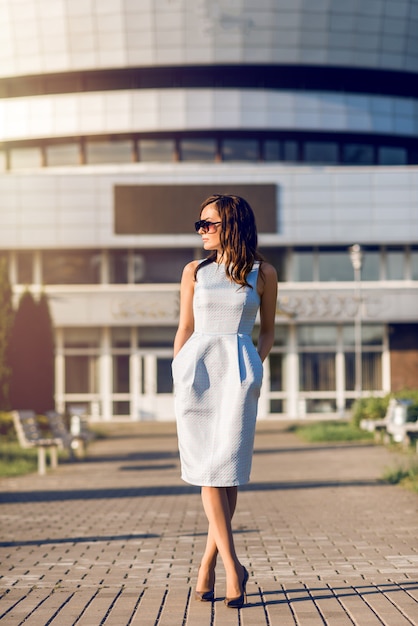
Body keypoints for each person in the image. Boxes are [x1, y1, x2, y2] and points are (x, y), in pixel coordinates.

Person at [172, 194, 277, 608]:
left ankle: (209, 564)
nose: (201, 230)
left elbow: (266, 330)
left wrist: (253, 365)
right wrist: (178, 372)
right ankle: (232, 567)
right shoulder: (193, 270)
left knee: (227, 469)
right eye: (199, 223)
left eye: (208, 224)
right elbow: (184, 327)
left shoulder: (263, 272)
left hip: (238, 374)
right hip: (196, 373)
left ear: (232, 224)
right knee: (209, 471)